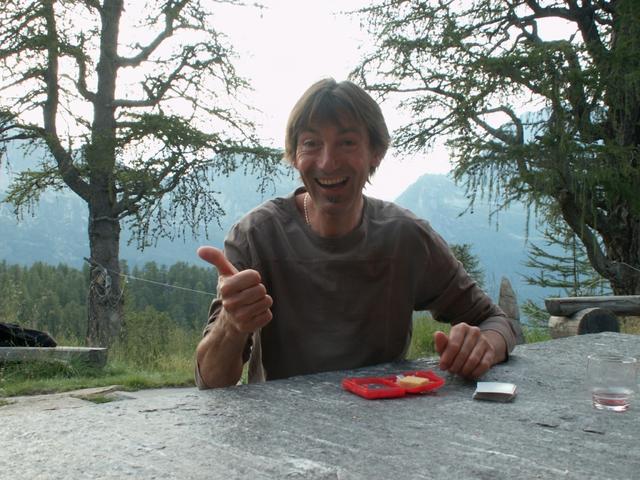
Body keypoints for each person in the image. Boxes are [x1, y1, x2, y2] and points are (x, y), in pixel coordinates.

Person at [195, 78, 519, 389]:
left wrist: (481, 348)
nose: (328, 162)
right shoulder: (256, 236)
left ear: (375, 152)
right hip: (280, 425)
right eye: (311, 144)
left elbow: (495, 321)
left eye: (347, 142)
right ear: (294, 156)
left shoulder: (405, 236)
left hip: (383, 417)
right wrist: (231, 325)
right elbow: (210, 381)